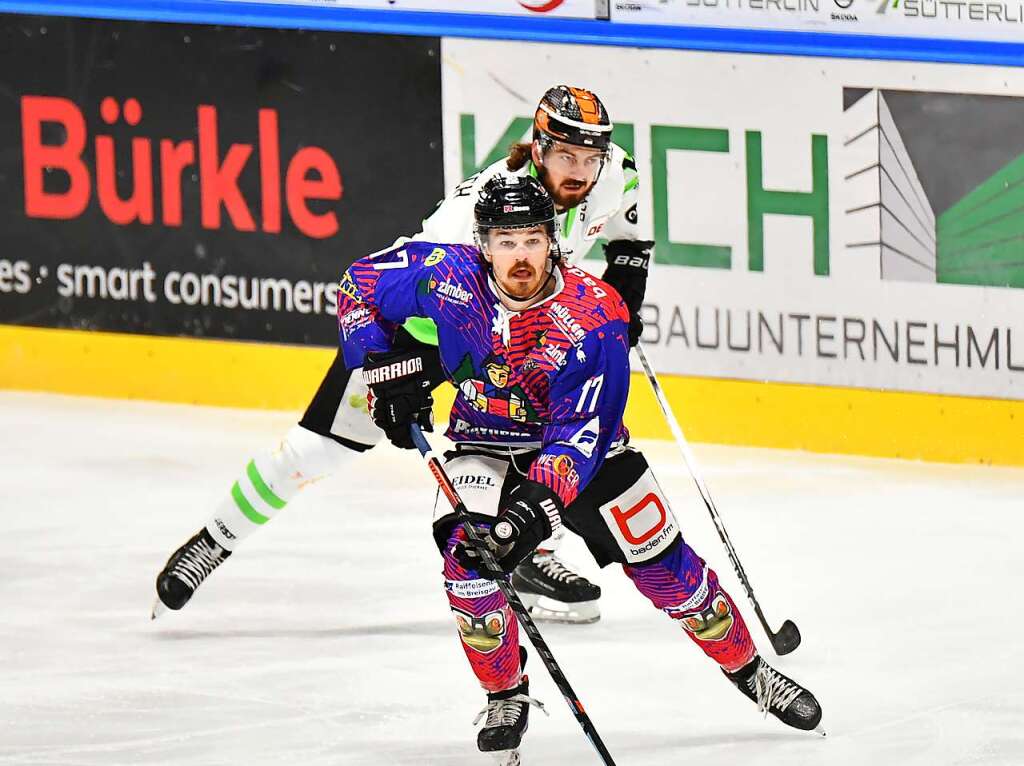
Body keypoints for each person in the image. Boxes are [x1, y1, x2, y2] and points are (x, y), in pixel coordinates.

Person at [343, 174, 822, 763]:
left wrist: (530, 515)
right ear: (483, 244)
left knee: (668, 571)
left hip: (585, 453)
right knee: (467, 568)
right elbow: (358, 285)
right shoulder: (444, 275)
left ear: (554, 242)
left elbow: (581, 437)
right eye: (505, 241)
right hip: (482, 442)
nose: (520, 256)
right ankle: (504, 693)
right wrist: (383, 368)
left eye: (532, 240)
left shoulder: (594, 316)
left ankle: (750, 671)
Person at [154, 85, 652, 623]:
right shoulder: (475, 214)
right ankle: (216, 538)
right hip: (418, 330)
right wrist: (385, 366)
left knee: (531, 435)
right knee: (316, 450)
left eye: (588, 158)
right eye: (563, 156)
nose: (578, 171)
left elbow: (629, 234)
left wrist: (619, 300)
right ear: (537, 148)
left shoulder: (614, 172)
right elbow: (370, 284)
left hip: (510, 331)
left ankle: (530, 556)